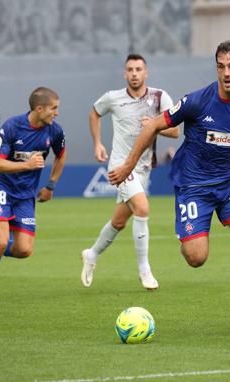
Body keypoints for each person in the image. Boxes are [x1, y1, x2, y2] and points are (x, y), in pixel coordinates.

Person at [109, 40, 230, 333]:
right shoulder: (197, 101)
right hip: (194, 185)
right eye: (221, 67)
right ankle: (188, 229)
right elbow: (152, 126)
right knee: (196, 258)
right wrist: (127, 167)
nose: (226, 73)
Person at [80, 53, 179, 290]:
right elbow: (94, 112)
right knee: (142, 208)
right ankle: (144, 270)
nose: (134, 73)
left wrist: (155, 127)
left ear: (146, 73)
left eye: (138, 69)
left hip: (144, 168)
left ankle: (92, 254)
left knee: (119, 221)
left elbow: (175, 132)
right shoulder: (113, 98)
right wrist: (97, 143)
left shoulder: (159, 97)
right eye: (130, 70)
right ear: (125, 74)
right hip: (120, 166)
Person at [0, 87, 66, 304]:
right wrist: (28, 164)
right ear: (39, 109)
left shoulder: (54, 132)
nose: (57, 113)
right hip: (1, 187)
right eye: (54, 108)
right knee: (1, 242)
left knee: (24, 250)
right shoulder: (12, 126)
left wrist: (50, 185)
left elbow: (61, 155)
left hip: (25, 195)